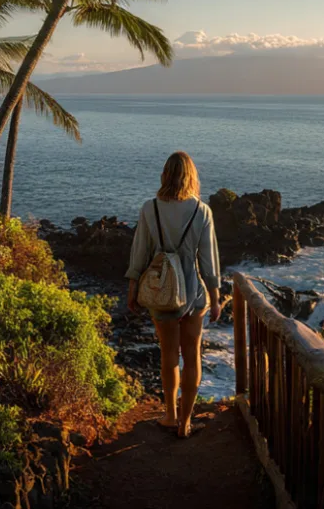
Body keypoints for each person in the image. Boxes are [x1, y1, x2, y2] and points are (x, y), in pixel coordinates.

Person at [126, 151, 222, 438]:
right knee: (192, 356)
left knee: (168, 355)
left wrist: (133, 290)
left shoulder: (149, 208)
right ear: (191, 175)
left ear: (165, 174)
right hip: (193, 294)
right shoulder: (201, 211)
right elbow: (208, 261)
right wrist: (216, 298)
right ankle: (186, 422)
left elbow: (139, 253)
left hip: (162, 291)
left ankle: (170, 415)